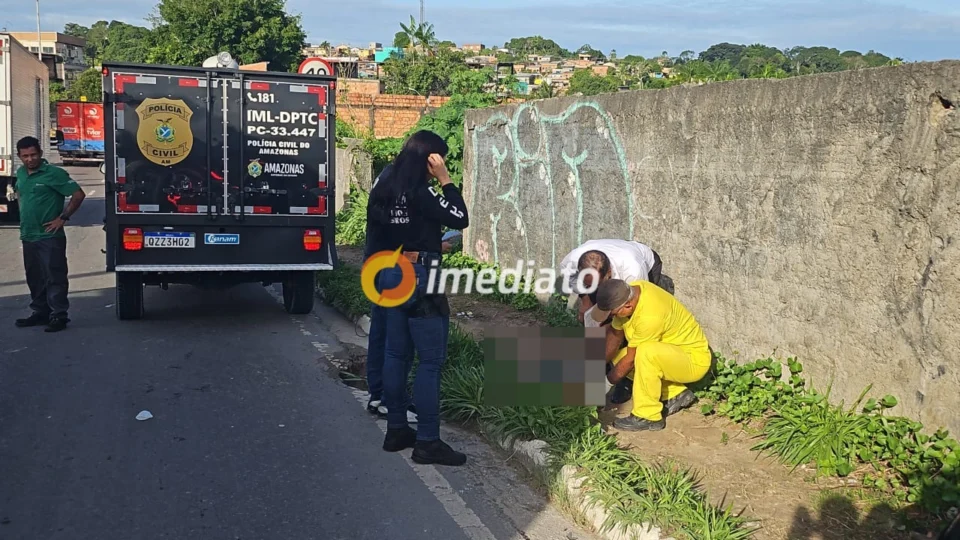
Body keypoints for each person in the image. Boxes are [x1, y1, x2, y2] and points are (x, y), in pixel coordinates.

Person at [366, 130, 470, 466]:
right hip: (423, 277)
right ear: (430, 159)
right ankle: (427, 441)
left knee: (396, 354)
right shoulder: (422, 191)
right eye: (438, 160)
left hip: (392, 274)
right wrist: (446, 180)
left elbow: (383, 233)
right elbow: (460, 218)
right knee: (429, 362)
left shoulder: (385, 188)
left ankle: (396, 429)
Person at [591, 278, 711, 432]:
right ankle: (675, 393)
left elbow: (631, 360)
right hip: (669, 354)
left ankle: (648, 416)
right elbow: (615, 335)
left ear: (627, 306)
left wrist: (604, 385)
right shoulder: (633, 291)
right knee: (618, 356)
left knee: (644, 354)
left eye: (612, 313)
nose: (611, 317)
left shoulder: (650, 316)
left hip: (692, 360)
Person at [12, 136, 86, 333]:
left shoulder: (55, 174)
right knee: (34, 276)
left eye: (33, 154)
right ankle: (40, 312)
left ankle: (59, 314)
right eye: (25, 156)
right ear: (19, 156)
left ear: (41, 154)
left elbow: (78, 194)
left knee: (55, 275)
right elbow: (20, 193)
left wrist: (63, 217)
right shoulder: (20, 173)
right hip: (28, 235)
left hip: (49, 236)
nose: (30, 159)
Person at [558, 239, 662, 327]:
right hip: (615, 251)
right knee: (599, 311)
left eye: (596, 284)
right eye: (588, 285)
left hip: (646, 260)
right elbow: (573, 278)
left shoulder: (633, 272)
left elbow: (638, 303)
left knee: (630, 315)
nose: (592, 288)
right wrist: (585, 300)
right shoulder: (571, 262)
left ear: (609, 272)